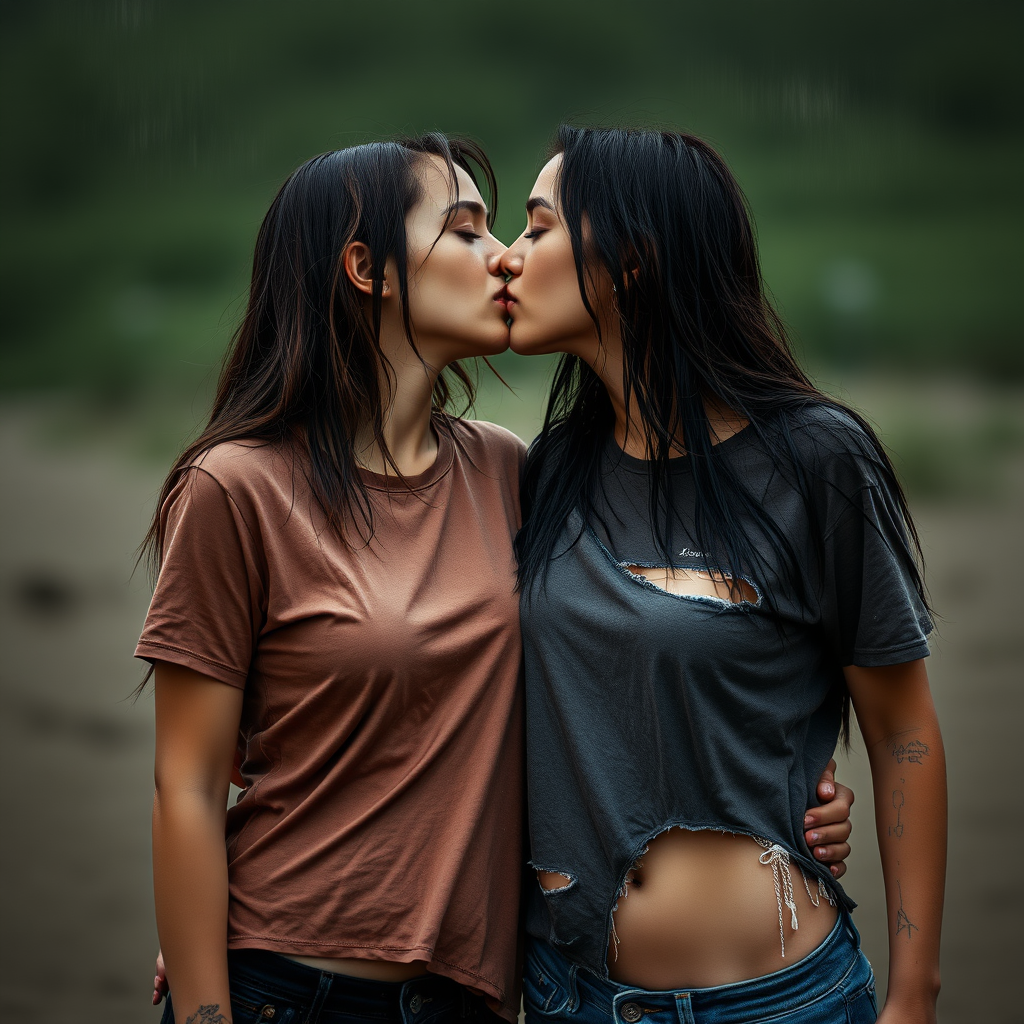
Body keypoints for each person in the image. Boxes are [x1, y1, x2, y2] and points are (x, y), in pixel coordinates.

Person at [140, 131, 858, 1024]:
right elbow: (189, 786)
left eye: (509, 231)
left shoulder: (509, 472)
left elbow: (628, 655)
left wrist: (790, 782)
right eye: (469, 231)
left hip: (476, 995)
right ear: (370, 268)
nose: (505, 258)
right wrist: (205, 980)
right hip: (289, 983)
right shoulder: (234, 488)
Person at [503, 126, 946, 1024]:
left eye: (538, 228)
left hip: (782, 1001)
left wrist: (912, 996)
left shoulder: (817, 461)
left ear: (631, 256)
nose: (509, 259)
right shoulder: (544, 474)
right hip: (568, 997)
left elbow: (903, 731)